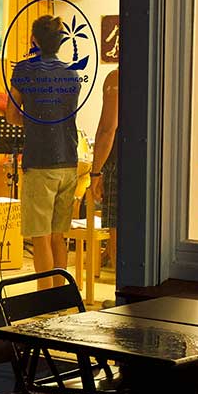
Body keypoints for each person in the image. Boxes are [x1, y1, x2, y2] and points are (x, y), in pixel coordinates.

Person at [8, 14, 83, 275]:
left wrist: (30, 122)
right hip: (69, 161)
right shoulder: (72, 73)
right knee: (58, 236)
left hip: (40, 162)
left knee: (40, 237)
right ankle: (60, 294)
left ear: (33, 39)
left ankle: (45, 296)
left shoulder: (24, 70)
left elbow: (12, 114)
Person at [88, 68, 120, 287]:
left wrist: (95, 172)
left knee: (118, 231)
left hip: (119, 162)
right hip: (152, 164)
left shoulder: (116, 77)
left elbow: (107, 129)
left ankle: (123, 293)